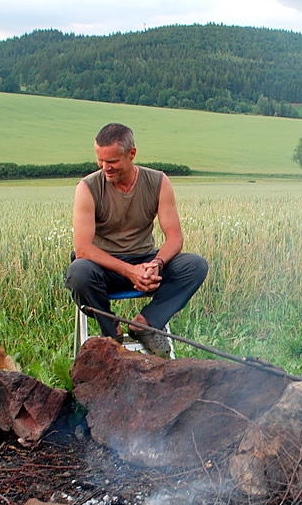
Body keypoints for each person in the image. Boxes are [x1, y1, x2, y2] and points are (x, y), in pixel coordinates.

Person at [65, 123, 208, 357]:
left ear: (131, 154)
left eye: (112, 161)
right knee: (78, 272)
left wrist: (155, 265)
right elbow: (83, 249)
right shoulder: (87, 187)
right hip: (104, 268)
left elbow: (174, 237)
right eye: (100, 160)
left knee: (195, 265)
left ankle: (146, 324)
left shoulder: (158, 182)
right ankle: (111, 334)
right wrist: (130, 271)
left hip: (146, 262)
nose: (105, 168)